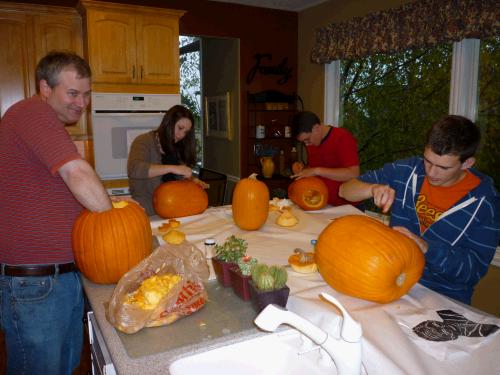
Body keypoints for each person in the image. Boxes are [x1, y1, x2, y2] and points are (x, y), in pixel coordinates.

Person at [0, 51, 112, 374]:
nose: (82, 102)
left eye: (87, 93)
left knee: (63, 368)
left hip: (56, 279)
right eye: (73, 93)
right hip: (35, 285)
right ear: (45, 88)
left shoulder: (44, 122)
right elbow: (77, 175)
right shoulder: (32, 113)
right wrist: (115, 220)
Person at [339, 115, 500, 304]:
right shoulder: (406, 170)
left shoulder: (487, 204)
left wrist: (426, 247)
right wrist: (372, 188)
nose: (431, 172)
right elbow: (345, 190)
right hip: (391, 278)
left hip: (443, 298)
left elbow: (472, 272)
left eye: (443, 167)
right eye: (428, 160)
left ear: (467, 163)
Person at [128, 104, 206, 216]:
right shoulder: (143, 141)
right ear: (169, 122)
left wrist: (191, 181)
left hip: (174, 210)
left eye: (186, 132)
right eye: (180, 128)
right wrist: (174, 168)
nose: (181, 135)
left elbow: (176, 179)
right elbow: (135, 169)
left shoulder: (176, 146)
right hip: (147, 212)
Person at [290, 111, 360, 206]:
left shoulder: (342, 138)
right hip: (322, 203)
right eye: (303, 142)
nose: (306, 144)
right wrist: (303, 169)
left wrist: (317, 171)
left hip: (346, 205)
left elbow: (353, 174)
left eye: (307, 139)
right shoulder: (312, 142)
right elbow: (314, 168)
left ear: (317, 128)